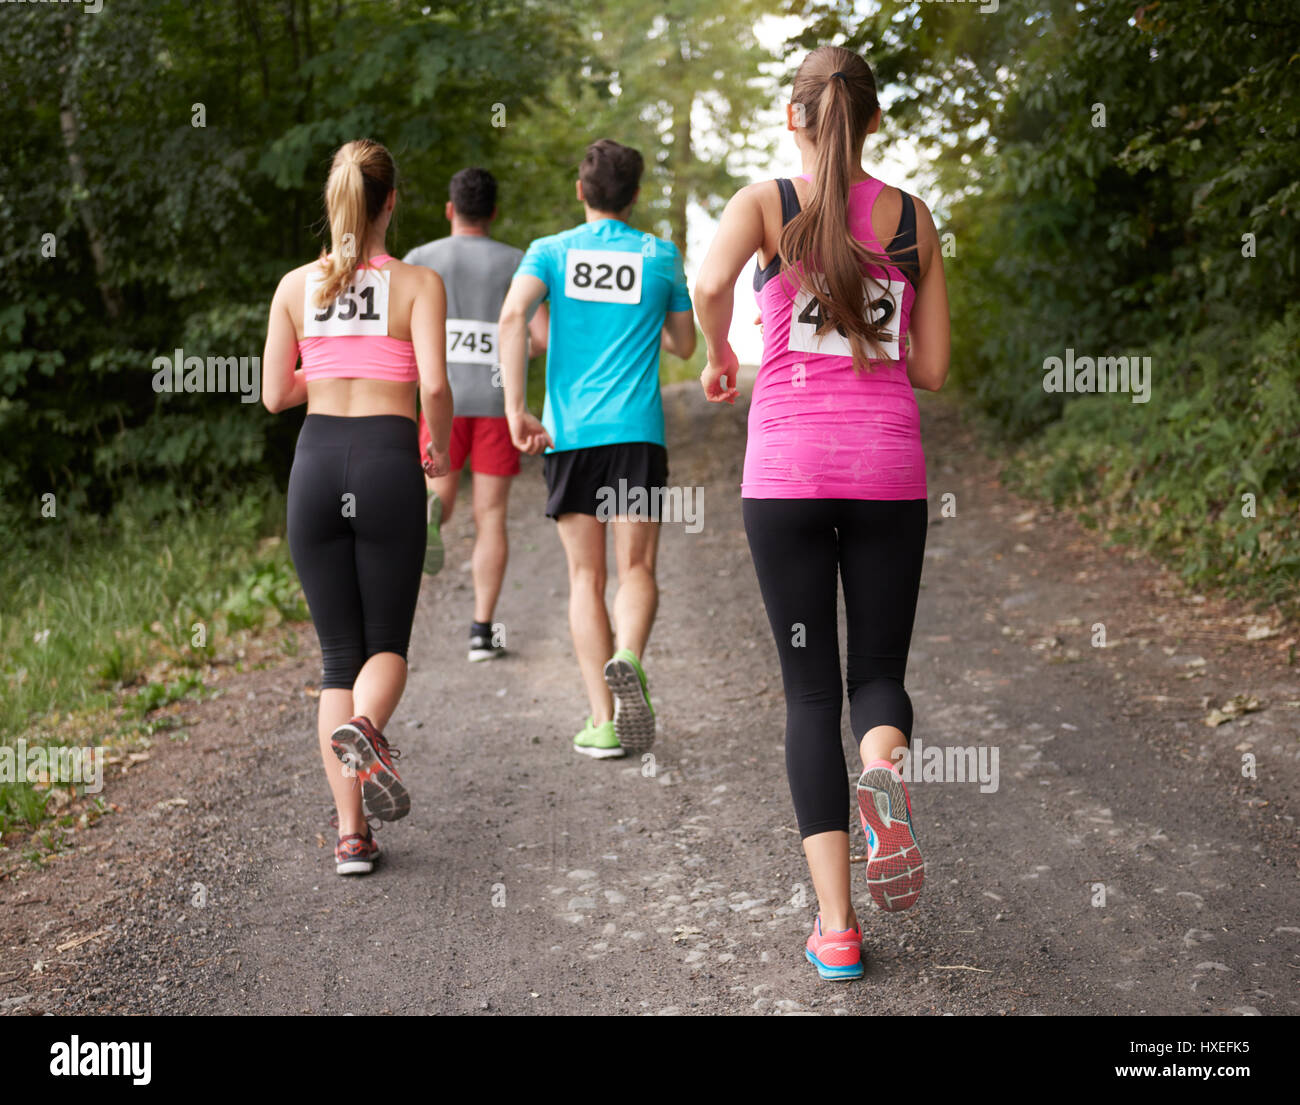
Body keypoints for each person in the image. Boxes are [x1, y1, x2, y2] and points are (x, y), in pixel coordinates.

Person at [694, 46, 950, 979]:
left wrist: (723, 355)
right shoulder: (914, 219)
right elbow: (929, 370)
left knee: (808, 694)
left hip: (788, 477)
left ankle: (837, 925)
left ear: (792, 116)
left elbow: (711, 285)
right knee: (874, 676)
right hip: (887, 475)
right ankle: (884, 766)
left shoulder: (768, 205)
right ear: (873, 121)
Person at [261, 139, 452, 876]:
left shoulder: (293, 286)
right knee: (387, 648)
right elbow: (433, 384)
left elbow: (278, 393)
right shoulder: (417, 284)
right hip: (383, 462)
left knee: (337, 656)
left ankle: (351, 836)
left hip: (314, 467)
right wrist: (438, 435)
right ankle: (366, 730)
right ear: (392, 201)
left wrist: (335, 359)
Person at [498, 139, 696, 760]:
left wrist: (515, 408)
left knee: (585, 576)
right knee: (636, 569)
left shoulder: (550, 252)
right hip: (636, 433)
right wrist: (651, 314)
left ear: (581, 191)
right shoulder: (661, 256)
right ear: (635, 196)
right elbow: (685, 346)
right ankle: (629, 657)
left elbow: (511, 318)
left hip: (569, 434)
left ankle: (604, 722)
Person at [403, 168, 549, 661]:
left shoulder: (420, 260)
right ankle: (482, 632)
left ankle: (431, 517)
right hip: (494, 401)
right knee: (490, 516)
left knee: (438, 493)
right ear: (493, 213)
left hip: (438, 398)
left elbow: (399, 334)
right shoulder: (516, 261)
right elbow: (543, 337)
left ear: (450, 209)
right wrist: (499, 351)